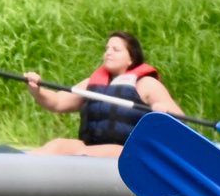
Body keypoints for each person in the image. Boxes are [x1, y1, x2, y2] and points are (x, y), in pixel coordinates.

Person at [23, 32, 183, 156]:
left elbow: (181, 119)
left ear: (131, 58)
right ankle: (19, 162)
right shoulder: (91, 83)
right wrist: (37, 90)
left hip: (126, 152)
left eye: (116, 49)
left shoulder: (146, 84)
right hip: (90, 147)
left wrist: (164, 114)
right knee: (57, 145)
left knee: (82, 152)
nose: (108, 53)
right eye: (107, 49)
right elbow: (57, 102)